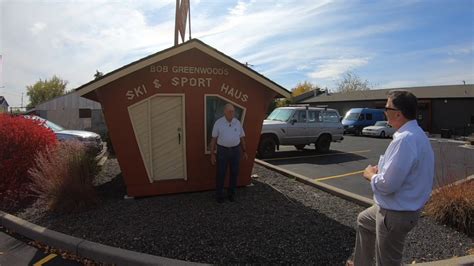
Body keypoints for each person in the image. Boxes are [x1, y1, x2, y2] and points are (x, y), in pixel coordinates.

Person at [351, 90, 434, 266]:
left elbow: (387, 185)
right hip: (402, 210)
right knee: (364, 220)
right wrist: (381, 170)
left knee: (388, 262)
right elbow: (406, 170)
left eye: (387, 107)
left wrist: (370, 175)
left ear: (398, 113)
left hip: (395, 214)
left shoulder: (404, 140)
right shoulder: (418, 135)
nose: (384, 111)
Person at [210, 103, 248, 203]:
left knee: (234, 173)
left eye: (233, 111)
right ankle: (219, 195)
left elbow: (242, 138)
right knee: (221, 173)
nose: (232, 113)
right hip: (222, 151)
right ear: (225, 112)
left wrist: (244, 151)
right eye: (229, 111)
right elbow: (213, 139)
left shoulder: (237, 123)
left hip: (236, 151)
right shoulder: (218, 123)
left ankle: (231, 194)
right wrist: (212, 154)